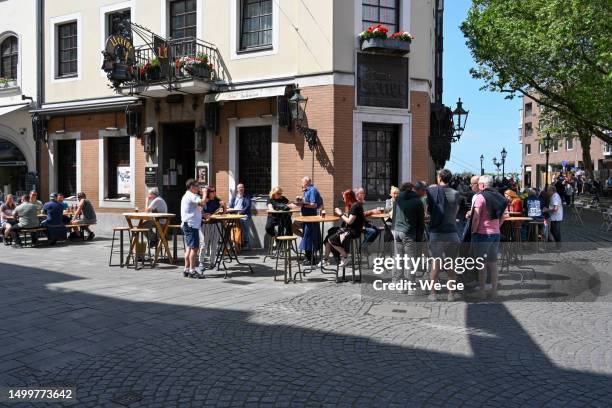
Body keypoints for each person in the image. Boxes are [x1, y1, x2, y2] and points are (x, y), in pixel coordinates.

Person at [471, 175, 508, 300]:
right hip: (495, 234)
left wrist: (473, 231)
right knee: (493, 264)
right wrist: (497, 227)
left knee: (481, 265)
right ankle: (494, 292)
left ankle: (481, 292)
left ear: (482, 185)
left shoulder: (480, 197)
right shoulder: (501, 198)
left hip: (482, 234)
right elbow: (503, 217)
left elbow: (476, 217)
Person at [426, 169, 460, 302]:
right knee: (451, 263)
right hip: (452, 232)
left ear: (439, 178)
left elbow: (427, 210)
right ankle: (451, 294)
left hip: (437, 232)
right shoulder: (456, 193)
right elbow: (455, 211)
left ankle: (433, 294)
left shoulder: (431, 192)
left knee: (436, 263)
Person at [319, 189, 365, 267]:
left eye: (344, 198)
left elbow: (349, 221)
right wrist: (343, 213)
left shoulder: (355, 206)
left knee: (332, 239)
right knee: (328, 238)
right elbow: (351, 218)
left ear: (348, 197)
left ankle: (345, 256)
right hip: (349, 229)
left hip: (353, 231)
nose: (343, 200)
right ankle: (326, 259)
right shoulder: (353, 205)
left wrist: (340, 214)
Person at [391, 182, 425, 290]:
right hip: (408, 232)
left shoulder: (398, 198)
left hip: (397, 230)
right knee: (410, 259)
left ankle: (397, 282)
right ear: (412, 189)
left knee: (399, 257)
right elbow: (421, 222)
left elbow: (394, 215)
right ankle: (410, 283)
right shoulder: (417, 201)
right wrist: (420, 237)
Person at [181, 179, 207, 278]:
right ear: (191, 187)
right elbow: (202, 202)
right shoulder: (192, 195)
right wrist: (204, 193)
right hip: (192, 225)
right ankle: (192, 271)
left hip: (187, 224)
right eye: (197, 186)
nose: (199, 188)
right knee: (194, 248)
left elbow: (193, 209)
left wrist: (203, 214)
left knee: (189, 248)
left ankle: (186, 269)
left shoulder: (187, 195)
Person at [295, 176, 323, 264]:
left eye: (302, 182)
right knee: (307, 236)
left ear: (307, 182)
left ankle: (311, 259)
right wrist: (301, 201)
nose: (301, 184)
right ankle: (309, 258)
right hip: (306, 218)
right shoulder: (307, 190)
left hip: (310, 218)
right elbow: (308, 202)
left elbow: (314, 205)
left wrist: (302, 205)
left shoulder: (312, 190)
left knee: (308, 237)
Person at [199, 186, 224, 269]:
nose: (214, 193)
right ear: (208, 193)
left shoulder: (218, 200)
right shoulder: (204, 200)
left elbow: (224, 212)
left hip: (216, 224)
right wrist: (204, 215)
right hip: (206, 224)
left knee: (214, 244)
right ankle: (201, 263)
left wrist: (224, 206)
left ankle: (212, 262)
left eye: (214, 191)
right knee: (204, 244)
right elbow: (199, 212)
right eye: (212, 191)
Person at [354, 187, 381, 253]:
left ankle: (364, 246)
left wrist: (366, 221)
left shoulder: (360, 202)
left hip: (362, 223)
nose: (364, 195)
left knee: (377, 230)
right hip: (356, 225)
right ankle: (363, 247)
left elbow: (360, 215)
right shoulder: (355, 203)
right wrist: (371, 211)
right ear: (357, 194)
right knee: (372, 232)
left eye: (364, 193)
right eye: (362, 193)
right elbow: (357, 215)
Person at [229, 183, 252, 250]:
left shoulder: (247, 197)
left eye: (242, 187)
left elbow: (248, 206)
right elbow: (231, 207)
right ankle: (233, 243)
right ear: (237, 189)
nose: (241, 189)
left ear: (244, 189)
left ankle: (246, 244)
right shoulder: (234, 198)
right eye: (239, 187)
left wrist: (240, 213)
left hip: (244, 215)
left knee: (244, 228)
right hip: (234, 215)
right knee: (231, 227)